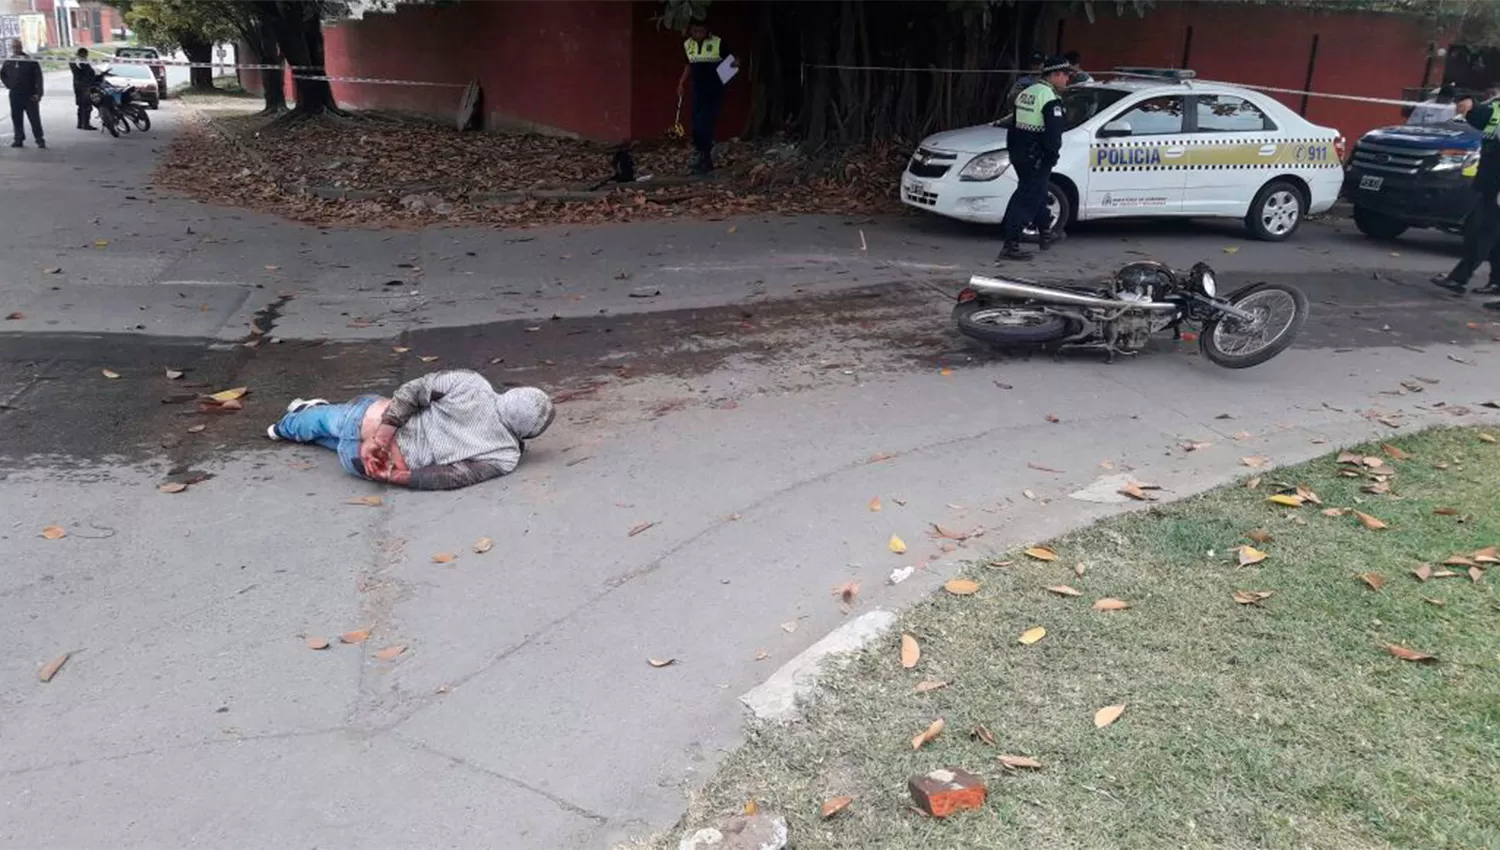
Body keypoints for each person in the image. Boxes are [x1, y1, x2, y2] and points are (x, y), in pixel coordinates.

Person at [266, 370, 555, 490]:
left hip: (368, 420)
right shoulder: (505, 456)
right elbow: (450, 477)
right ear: (527, 434)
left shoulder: (471, 383)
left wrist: (381, 436)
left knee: (326, 420)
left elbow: (411, 393)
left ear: (512, 393)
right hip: (368, 464)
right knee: (338, 443)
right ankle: (321, 433)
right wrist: (393, 476)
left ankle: (284, 427)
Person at [998, 56, 1073, 261]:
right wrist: (1051, 157)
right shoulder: (1049, 99)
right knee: (1027, 197)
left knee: (1037, 191)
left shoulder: (1027, 93)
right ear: (1055, 74)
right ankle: (1011, 244)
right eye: (1066, 75)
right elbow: (1053, 135)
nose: (1068, 79)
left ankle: (1045, 231)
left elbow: (1013, 126)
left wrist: (1014, 151)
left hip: (1020, 153)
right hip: (1036, 156)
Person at [1432, 91, 1500, 296]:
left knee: (1481, 230)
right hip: (1491, 181)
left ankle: (1459, 278)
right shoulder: (1496, 105)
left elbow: (1484, 114)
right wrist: (1470, 105)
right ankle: (1496, 282)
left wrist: (1471, 105)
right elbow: (1485, 117)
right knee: (1492, 233)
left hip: (1496, 184)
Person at [677, 21, 737, 175]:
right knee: (696, 124)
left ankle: (707, 159)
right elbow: (688, 65)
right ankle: (700, 155)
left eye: (701, 31)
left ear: (707, 31)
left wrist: (733, 66)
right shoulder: (688, 44)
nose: (697, 34)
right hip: (698, 90)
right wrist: (681, 83)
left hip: (714, 90)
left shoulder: (718, 43)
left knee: (705, 123)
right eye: (694, 31)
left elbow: (733, 61)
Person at [0, 38, 44, 149]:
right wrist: (9, 84)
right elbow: (3, 74)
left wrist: (38, 93)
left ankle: (39, 139)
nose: (16, 49)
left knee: (34, 118)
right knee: (16, 118)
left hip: (30, 94)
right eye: (14, 47)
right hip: (15, 94)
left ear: (21, 47)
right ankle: (18, 139)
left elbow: (38, 78)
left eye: (18, 47)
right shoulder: (9, 61)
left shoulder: (30, 61)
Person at [69, 47, 98, 131]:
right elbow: (89, 72)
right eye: (86, 55)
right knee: (87, 106)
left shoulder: (73, 60)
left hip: (77, 85)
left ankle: (80, 123)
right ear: (83, 54)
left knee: (81, 105)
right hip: (85, 86)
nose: (87, 56)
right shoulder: (82, 61)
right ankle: (86, 124)